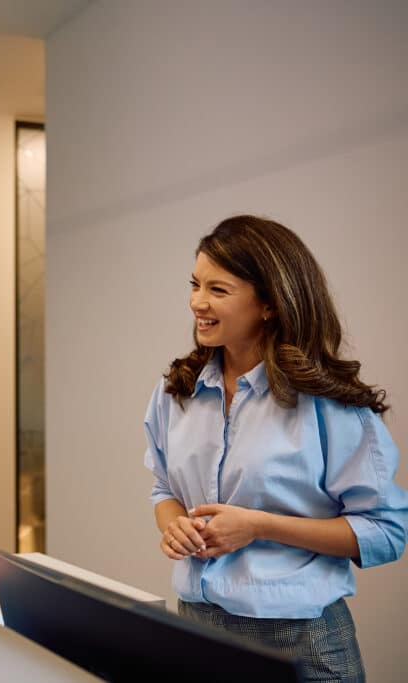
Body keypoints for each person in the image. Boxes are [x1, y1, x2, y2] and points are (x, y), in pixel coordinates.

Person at [144, 215, 408, 681]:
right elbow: (163, 487)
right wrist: (174, 527)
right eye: (194, 284)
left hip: (302, 645)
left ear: (268, 304)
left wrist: (260, 527)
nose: (197, 303)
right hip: (196, 633)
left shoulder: (328, 404)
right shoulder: (176, 393)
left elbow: (385, 532)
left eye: (218, 290)